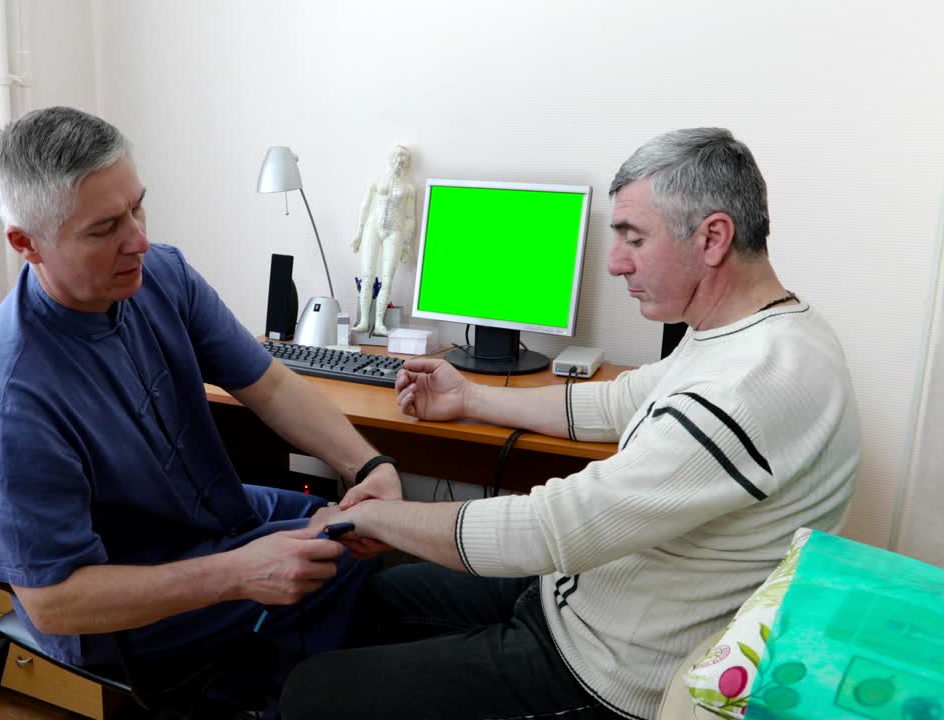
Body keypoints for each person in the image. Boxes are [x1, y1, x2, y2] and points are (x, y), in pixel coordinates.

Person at [281, 128, 861, 720]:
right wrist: (470, 399)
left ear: (713, 237)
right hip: (570, 598)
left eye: (634, 239)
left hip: (604, 673)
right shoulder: (745, 332)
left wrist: (380, 515)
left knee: (310, 694)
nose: (614, 263)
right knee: (369, 597)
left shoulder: (753, 384)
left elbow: (553, 527)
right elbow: (616, 403)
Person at [0, 107, 401, 713]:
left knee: (350, 527)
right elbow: (56, 602)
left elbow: (271, 386)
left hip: (207, 521)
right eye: (104, 229)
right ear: (27, 244)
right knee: (333, 569)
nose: (139, 239)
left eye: (138, 206)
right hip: (112, 604)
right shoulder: (5, 405)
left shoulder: (160, 276)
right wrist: (239, 573)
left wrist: (368, 468)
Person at [350, 144, 416, 336]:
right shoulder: (376, 182)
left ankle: (379, 323)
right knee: (367, 275)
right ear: (390, 159)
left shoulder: (409, 189)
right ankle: (364, 321)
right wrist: (358, 233)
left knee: (388, 278)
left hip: (395, 230)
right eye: (396, 157)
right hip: (373, 226)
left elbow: (411, 218)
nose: (399, 162)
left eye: (403, 159)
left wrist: (407, 244)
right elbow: (364, 206)